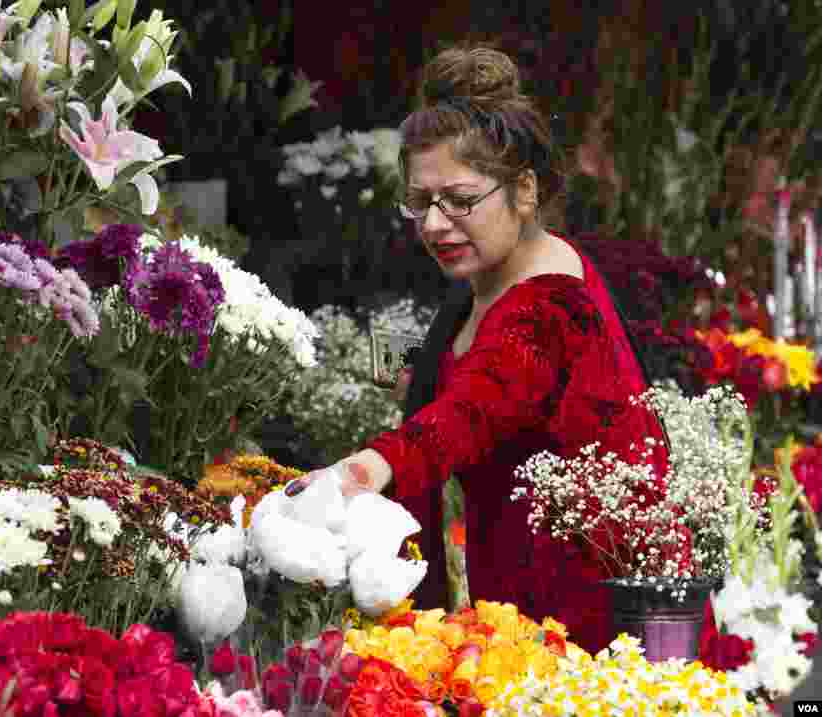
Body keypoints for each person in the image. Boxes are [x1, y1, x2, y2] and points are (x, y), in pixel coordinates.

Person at [287, 44, 670, 653]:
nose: (436, 224)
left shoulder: (551, 301)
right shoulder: (482, 280)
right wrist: (405, 376)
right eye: (421, 202)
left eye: (461, 201)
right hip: (514, 613)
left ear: (523, 189)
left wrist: (359, 471)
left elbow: (473, 408)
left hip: (592, 635)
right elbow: (450, 376)